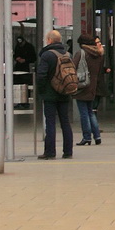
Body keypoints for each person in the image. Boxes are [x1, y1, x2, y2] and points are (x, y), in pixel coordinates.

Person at [35, 29, 74, 159]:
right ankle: (68, 151)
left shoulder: (47, 55)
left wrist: (41, 91)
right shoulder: (68, 55)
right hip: (64, 93)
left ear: (49, 40)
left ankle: (50, 152)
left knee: (50, 123)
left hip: (50, 94)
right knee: (65, 122)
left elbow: (41, 75)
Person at [73, 34, 107, 145]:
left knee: (84, 113)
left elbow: (73, 67)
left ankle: (87, 137)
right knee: (90, 112)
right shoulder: (99, 54)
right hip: (93, 86)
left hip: (82, 85)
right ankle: (97, 136)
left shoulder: (81, 53)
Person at [13, 35, 37, 108]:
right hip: (18, 68)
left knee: (26, 85)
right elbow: (15, 55)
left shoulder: (29, 47)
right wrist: (17, 58)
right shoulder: (17, 47)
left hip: (27, 68)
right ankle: (19, 101)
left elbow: (34, 58)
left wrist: (25, 60)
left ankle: (26, 102)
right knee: (17, 84)